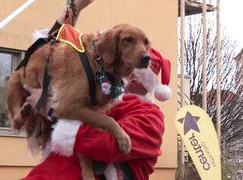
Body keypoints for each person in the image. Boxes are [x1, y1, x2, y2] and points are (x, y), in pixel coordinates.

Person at [22, 1, 172, 179]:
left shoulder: (150, 116)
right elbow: (54, 52)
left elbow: (109, 145)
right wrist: (73, 9)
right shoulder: (104, 94)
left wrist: (50, 107)